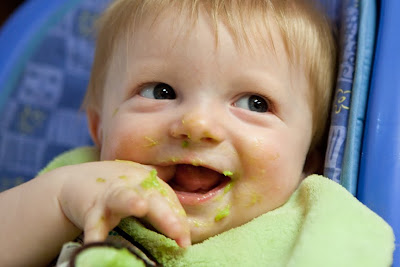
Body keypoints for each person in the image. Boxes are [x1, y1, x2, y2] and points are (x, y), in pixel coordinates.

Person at [0, 0, 393, 266]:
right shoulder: (80, 184)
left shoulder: (319, 222)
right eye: (161, 92)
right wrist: (62, 198)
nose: (197, 125)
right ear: (99, 128)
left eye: (254, 103)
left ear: (310, 157)